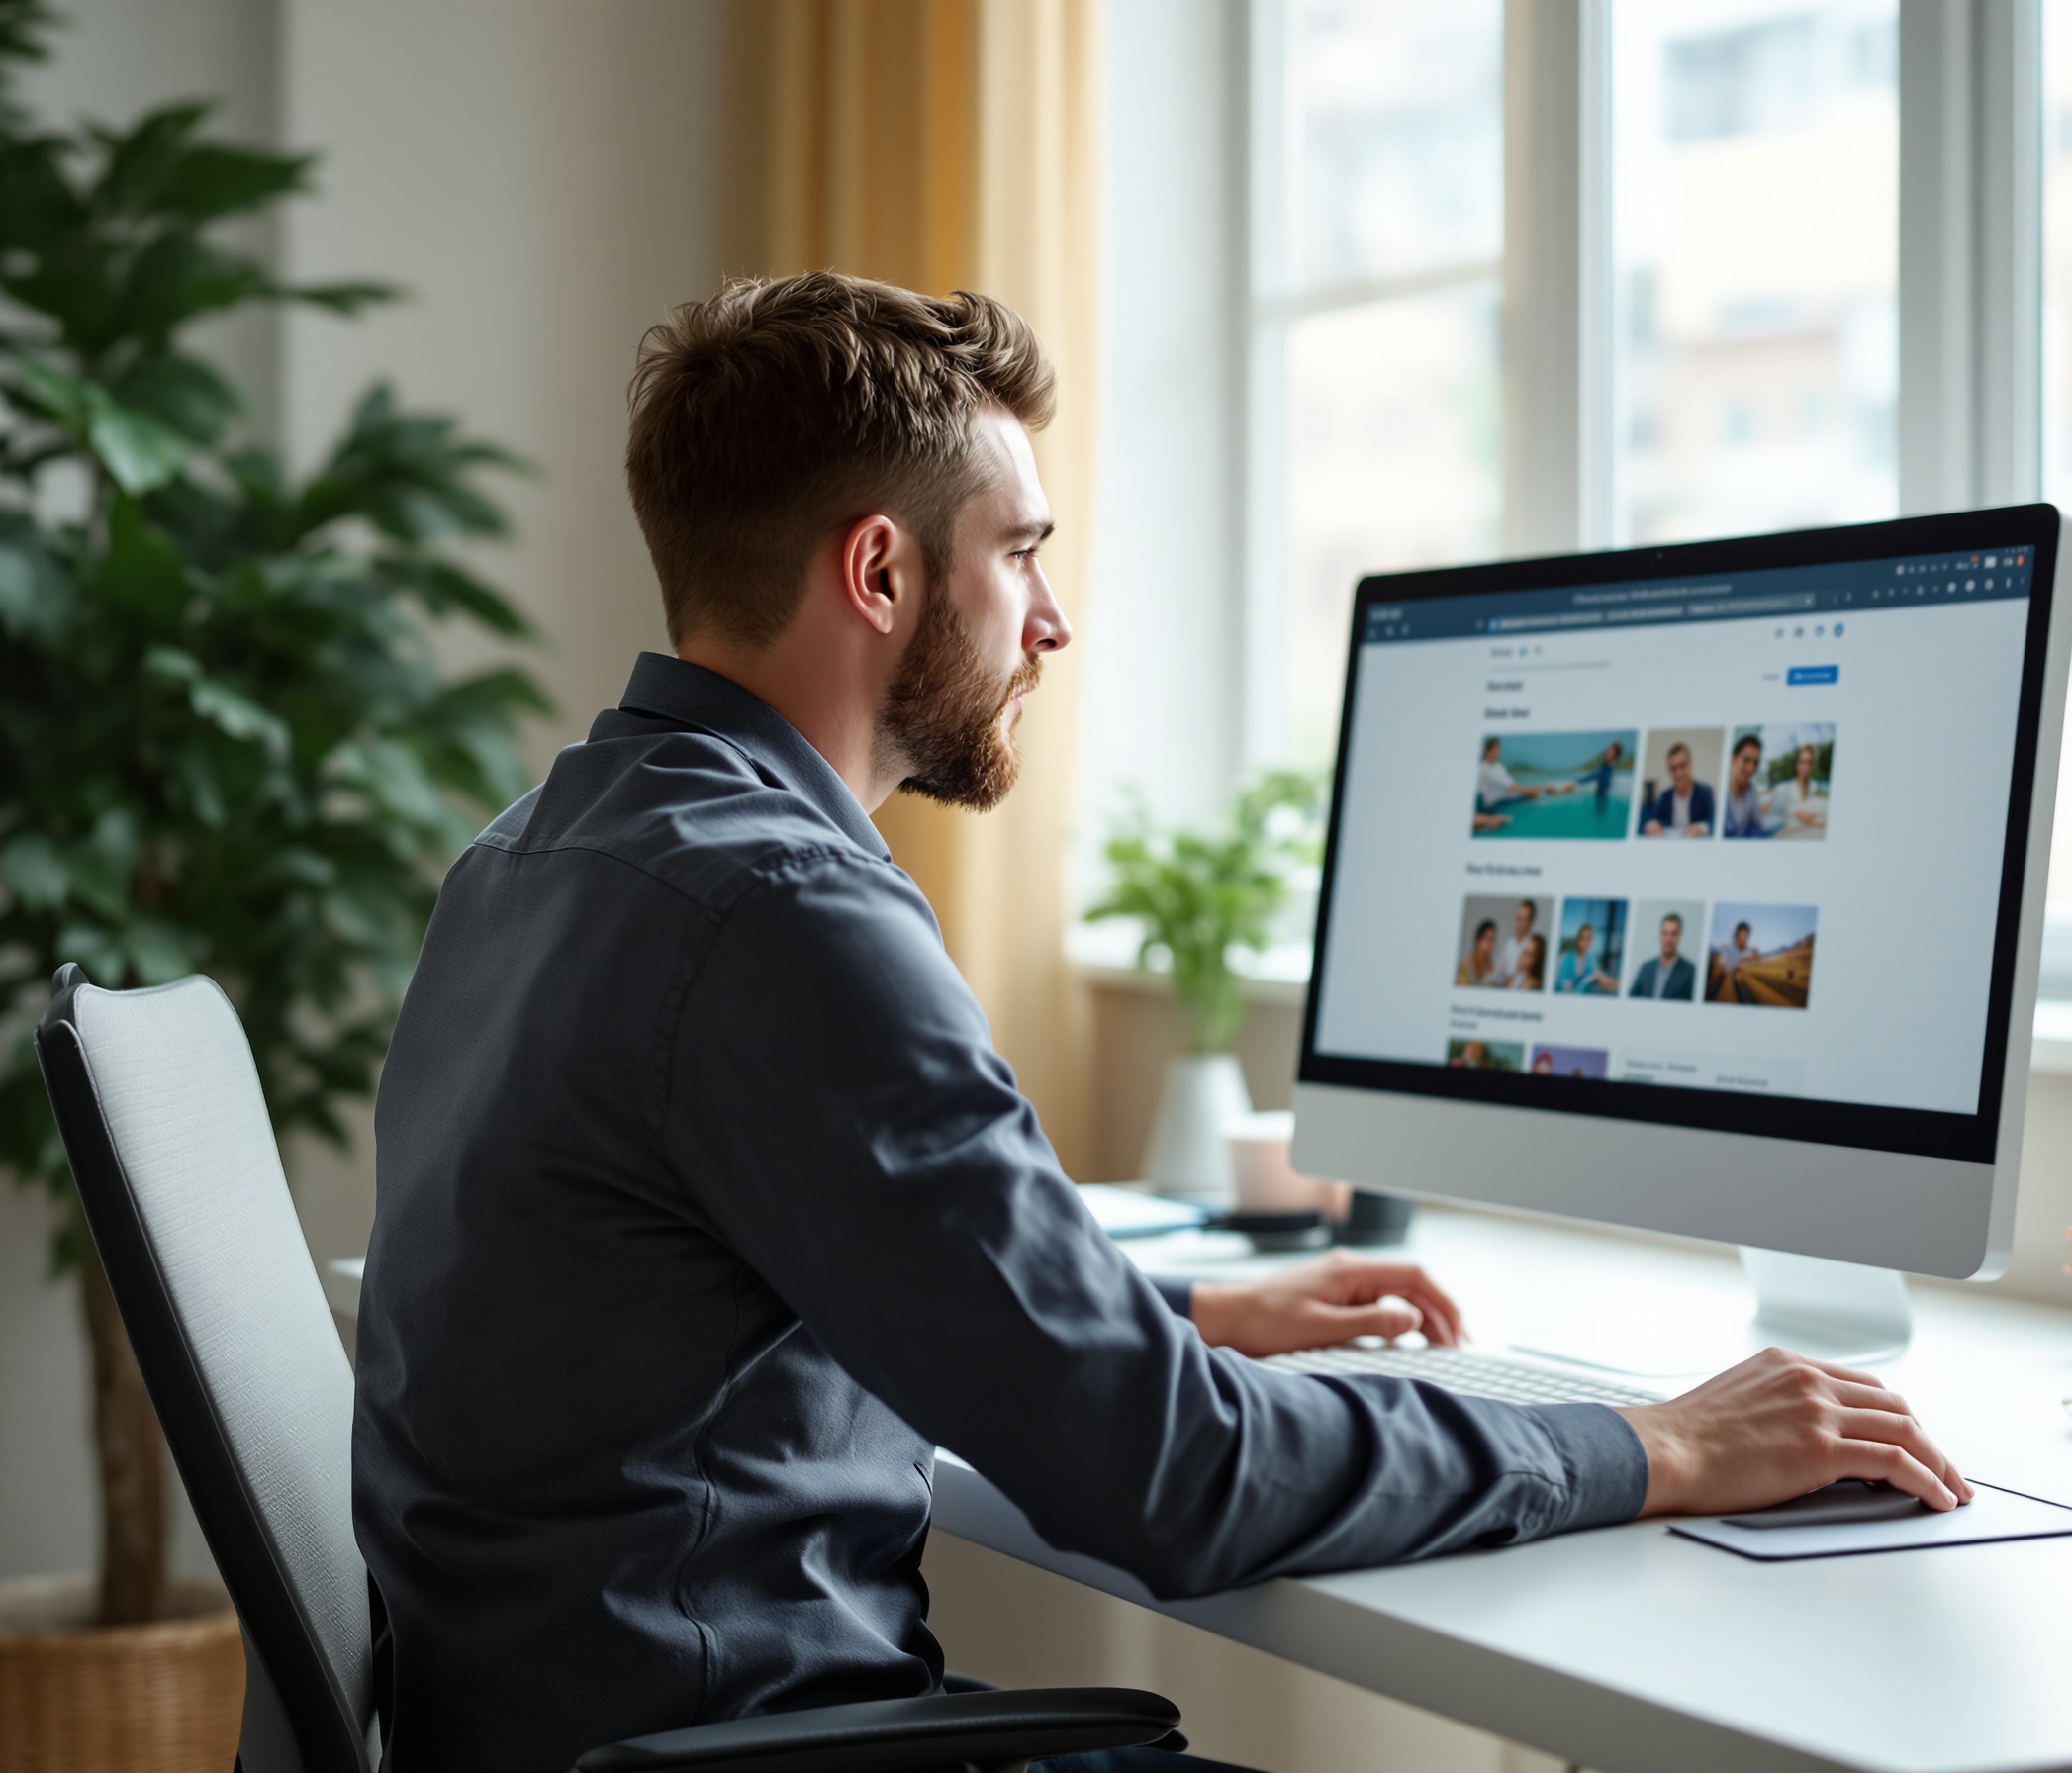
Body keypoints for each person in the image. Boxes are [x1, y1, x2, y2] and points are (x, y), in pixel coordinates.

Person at [353, 272, 1967, 1773]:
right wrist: (1657, 1448)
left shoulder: (536, 856)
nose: (1048, 620)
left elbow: (733, 1281)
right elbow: (1173, 1482)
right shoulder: (783, 908)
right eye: (1021, 552)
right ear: (878, 570)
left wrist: (1169, 1313)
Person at [1641, 742, 1715, 837]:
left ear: (1690, 765)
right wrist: (1652, 824)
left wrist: (1701, 827)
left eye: (1682, 766)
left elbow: (1713, 821)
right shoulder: (1665, 795)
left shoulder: (1705, 792)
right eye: (1674, 768)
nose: (1678, 773)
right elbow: (1653, 818)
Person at [1476, 737, 1563, 814]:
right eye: (1495, 750)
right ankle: (1550, 790)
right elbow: (1511, 786)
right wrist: (1539, 788)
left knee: (1532, 795)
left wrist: (1531, 791)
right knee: (1533, 796)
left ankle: (1553, 790)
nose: (1498, 752)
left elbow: (1512, 783)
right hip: (1494, 804)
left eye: (1498, 749)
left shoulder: (1498, 766)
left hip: (1504, 798)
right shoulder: (1484, 768)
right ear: (1487, 751)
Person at [1765, 740, 1830, 839]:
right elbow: (1774, 813)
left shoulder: (1813, 786)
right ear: (1796, 764)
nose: (1806, 767)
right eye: (1802, 762)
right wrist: (1797, 814)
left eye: (1809, 762)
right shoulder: (1785, 788)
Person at [1628, 911, 1699, 1000]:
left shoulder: (1690, 971)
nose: (1669, 939)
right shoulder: (1645, 968)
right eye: (1665, 933)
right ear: (1660, 935)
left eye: (1674, 934)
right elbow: (1630, 1000)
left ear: (1680, 936)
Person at [1721, 733, 1767, 839]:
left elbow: (1758, 826)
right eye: (1746, 760)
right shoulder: (1719, 795)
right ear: (1732, 761)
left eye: (1755, 763)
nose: (1751, 768)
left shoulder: (1752, 791)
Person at [1553, 921, 1617, 995]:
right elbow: (1566, 990)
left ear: (1591, 941)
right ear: (1578, 938)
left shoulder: (1590, 959)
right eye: (1582, 938)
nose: (1585, 942)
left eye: (1588, 939)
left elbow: (1601, 978)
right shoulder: (1567, 958)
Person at [1492, 898, 1539, 982]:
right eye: (1517, 918)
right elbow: (1497, 972)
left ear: (1531, 921)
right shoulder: (1508, 944)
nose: (1518, 922)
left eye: (1523, 919)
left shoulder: (1532, 946)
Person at [1709, 920, 1755, 1002]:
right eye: (1739, 935)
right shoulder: (1725, 948)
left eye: (1744, 936)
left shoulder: (1749, 952)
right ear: (1735, 934)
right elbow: (1718, 968)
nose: (1740, 939)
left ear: (1748, 937)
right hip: (1722, 984)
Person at [1455, 918, 1500, 987]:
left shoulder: (1492, 970)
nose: (1488, 946)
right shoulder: (1464, 967)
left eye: (1491, 941)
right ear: (1478, 941)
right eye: (1485, 939)